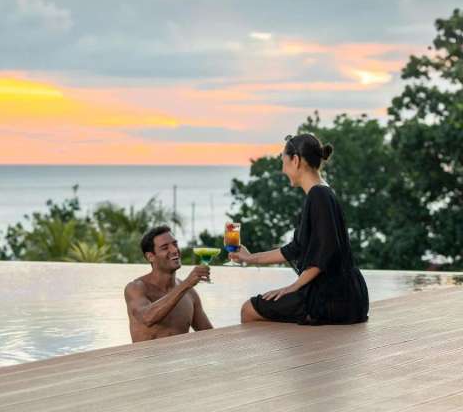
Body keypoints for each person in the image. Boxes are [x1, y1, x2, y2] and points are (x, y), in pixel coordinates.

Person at [230, 133, 369, 325]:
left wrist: (293, 287)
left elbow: (325, 251)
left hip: (333, 298)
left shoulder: (318, 195)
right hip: (346, 294)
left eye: (284, 162)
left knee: (249, 310)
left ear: (295, 160)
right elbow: (295, 248)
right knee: (259, 308)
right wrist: (250, 258)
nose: (283, 170)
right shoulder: (322, 192)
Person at [124, 225, 213, 342]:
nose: (174, 250)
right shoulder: (136, 288)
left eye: (175, 244)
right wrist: (186, 284)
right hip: (148, 354)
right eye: (165, 248)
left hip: (181, 354)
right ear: (150, 256)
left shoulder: (190, 293)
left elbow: (209, 335)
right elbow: (147, 318)